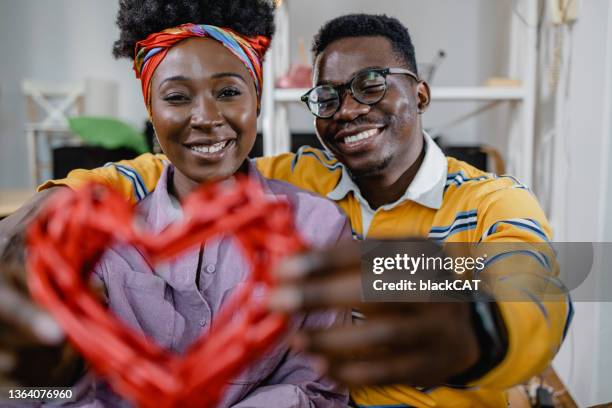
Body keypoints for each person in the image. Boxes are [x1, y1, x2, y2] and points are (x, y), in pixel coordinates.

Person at [0, 12, 571, 408]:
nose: (347, 110)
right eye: (327, 96)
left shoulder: (490, 200)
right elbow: (185, 165)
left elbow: (542, 284)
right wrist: (65, 194)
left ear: (419, 93)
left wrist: (486, 325)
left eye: (371, 85)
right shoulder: (300, 181)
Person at [0, 1, 351, 406]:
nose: (205, 116)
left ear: (257, 98)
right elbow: (58, 391)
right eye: (178, 97)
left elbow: (317, 391)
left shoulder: (317, 228)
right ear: (151, 109)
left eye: (229, 92)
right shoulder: (100, 236)